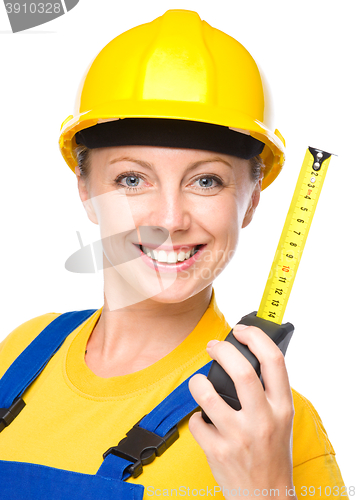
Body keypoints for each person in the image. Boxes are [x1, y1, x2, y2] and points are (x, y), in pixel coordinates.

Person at [0, 9, 347, 500]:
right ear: (85, 187)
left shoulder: (272, 424)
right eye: (131, 179)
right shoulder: (22, 353)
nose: (169, 219)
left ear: (251, 200)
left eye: (206, 181)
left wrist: (268, 489)